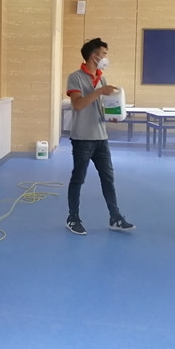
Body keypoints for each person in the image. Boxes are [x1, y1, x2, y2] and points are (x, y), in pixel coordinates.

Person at [65, 37, 135, 235]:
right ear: (93, 56)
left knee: (108, 178)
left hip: (101, 137)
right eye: (103, 54)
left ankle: (115, 217)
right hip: (82, 138)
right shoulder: (75, 77)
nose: (106, 58)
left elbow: (100, 106)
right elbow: (78, 104)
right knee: (78, 179)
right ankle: (73, 217)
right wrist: (99, 91)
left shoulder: (101, 78)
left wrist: (110, 116)